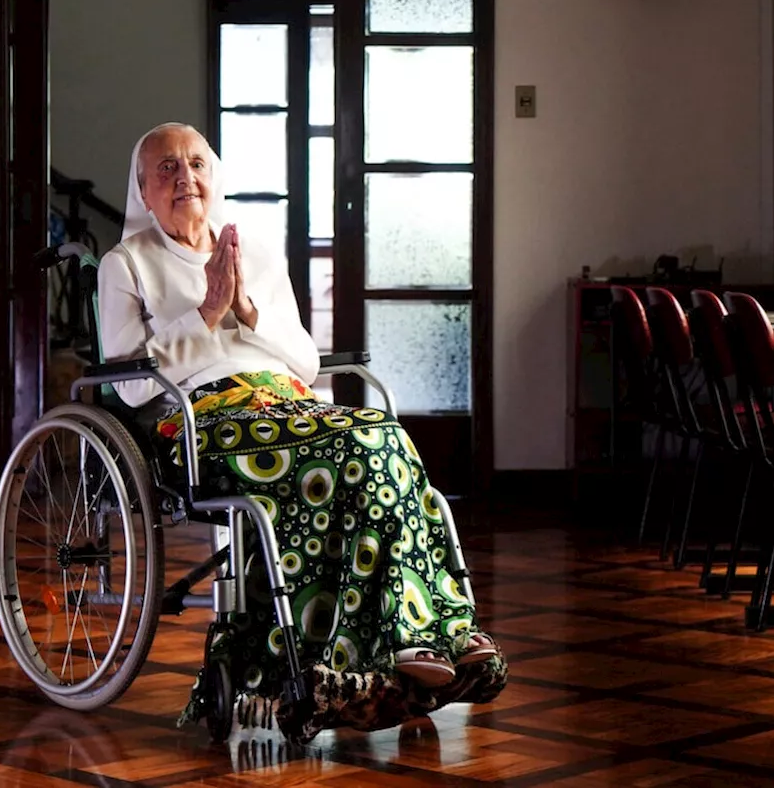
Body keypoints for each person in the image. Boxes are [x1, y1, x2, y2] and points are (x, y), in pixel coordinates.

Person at [97, 123, 504, 740]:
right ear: (143, 192)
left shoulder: (254, 252)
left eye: (197, 164)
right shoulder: (125, 263)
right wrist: (206, 311)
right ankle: (363, 651)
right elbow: (130, 384)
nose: (186, 178)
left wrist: (247, 311)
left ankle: (432, 632)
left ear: (216, 175)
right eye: (167, 169)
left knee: (378, 436)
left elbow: (305, 362)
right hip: (202, 421)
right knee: (355, 443)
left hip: (286, 405)